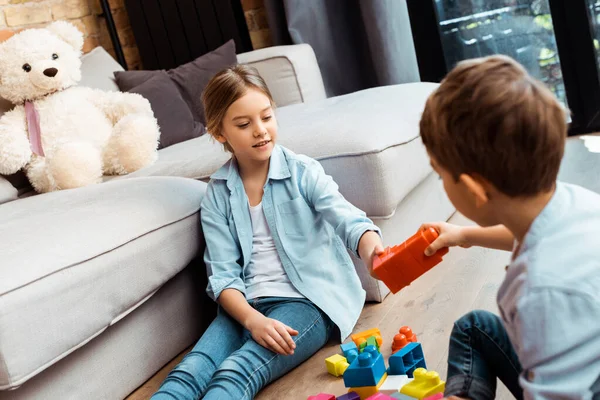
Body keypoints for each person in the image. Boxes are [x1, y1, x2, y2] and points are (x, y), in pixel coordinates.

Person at [152, 65, 384, 400]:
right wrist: (251, 319)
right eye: (244, 124)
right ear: (220, 133)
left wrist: (371, 248)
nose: (260, 131)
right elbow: (223, 276)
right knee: (190, 371)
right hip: (246, 305)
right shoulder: (218, 193)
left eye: (266, 117)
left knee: (237, 371)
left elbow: (348, 219)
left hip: (307, 302)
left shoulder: (303, 172)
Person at [417, 55, 600, 398]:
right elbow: (524, 234)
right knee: (472, 327)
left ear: (474, 190)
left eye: (441, 175)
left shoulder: (542, 289)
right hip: (581, 354)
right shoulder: (571, 202)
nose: (442, 182)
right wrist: (463, 235)